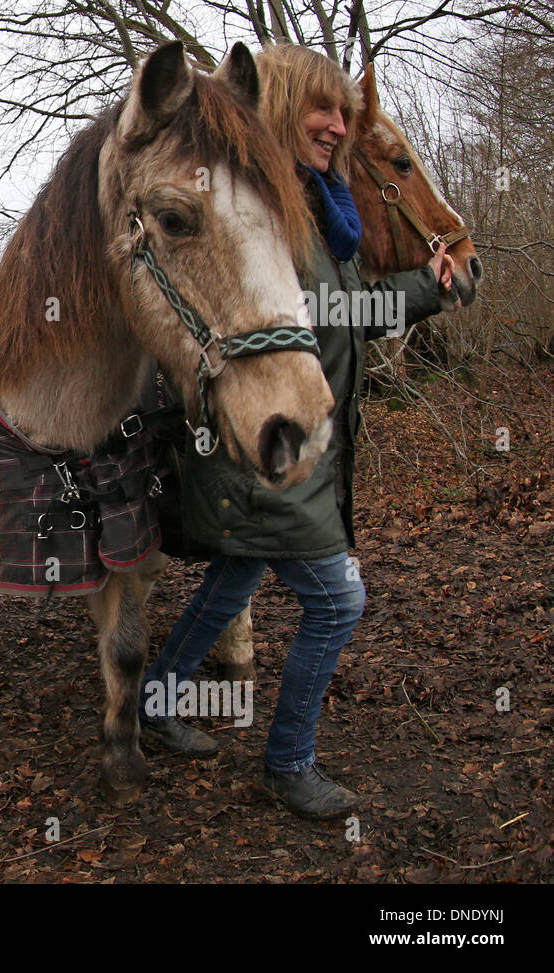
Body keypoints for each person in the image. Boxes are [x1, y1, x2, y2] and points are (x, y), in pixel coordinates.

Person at [138, 43, 457, 820]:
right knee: (339, 603)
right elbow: (292, 326)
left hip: (299, 447)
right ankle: (288, 760)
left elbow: (340, 318)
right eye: (322, 109)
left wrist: (429, 289)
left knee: (234, 580)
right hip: (269, 451)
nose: (337, 124)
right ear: (280, 108)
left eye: (344, 112)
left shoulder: (317, 203)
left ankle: (153, 702)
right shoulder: (269, 211)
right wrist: (424, 291)